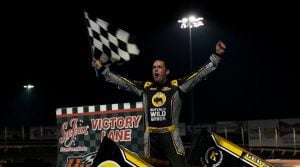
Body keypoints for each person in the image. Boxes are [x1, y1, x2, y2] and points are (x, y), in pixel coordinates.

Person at [92, 40, 226, 167]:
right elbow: (123, 82)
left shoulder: (177, 86)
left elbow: (199, 75)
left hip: (170, 136)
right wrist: (103, 70)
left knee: (180, 165)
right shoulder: (146, 87)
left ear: (167, 71)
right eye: (154, 67)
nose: (156, 70)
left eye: (159, 67)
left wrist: (216, 55)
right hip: (150, 137)